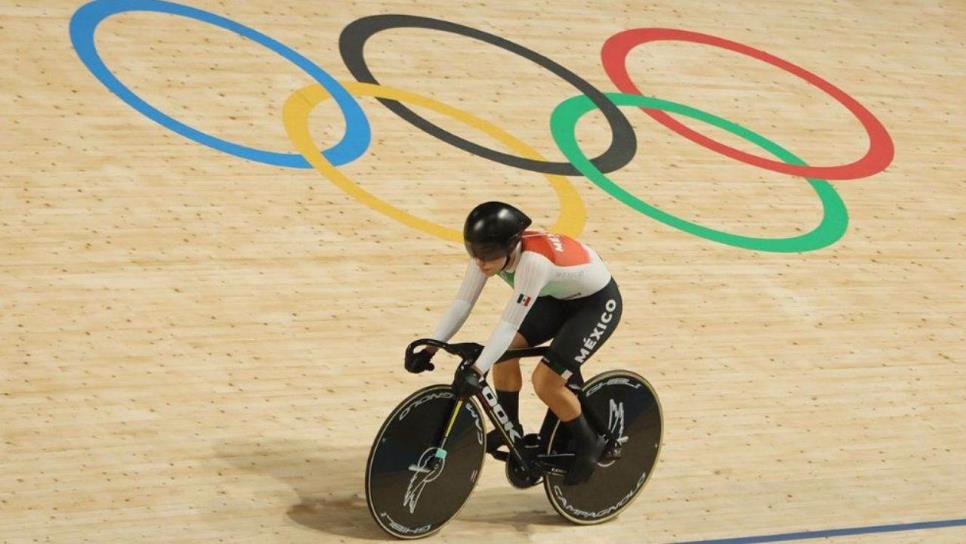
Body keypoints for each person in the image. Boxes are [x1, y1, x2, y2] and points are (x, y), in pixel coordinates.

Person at [404, 201, 623, 485]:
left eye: (488, 255)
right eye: (474, 252)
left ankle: (589, 445)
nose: (481, 262)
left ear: (510, 247)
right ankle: (511, 427)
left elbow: (507, 325)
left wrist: (478, 370)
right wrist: (431, 347)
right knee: (504, 355)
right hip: (557, 297)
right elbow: (462, 304)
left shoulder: (533, 264)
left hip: (595, 304)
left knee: (546, 381)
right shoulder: (487, 256)